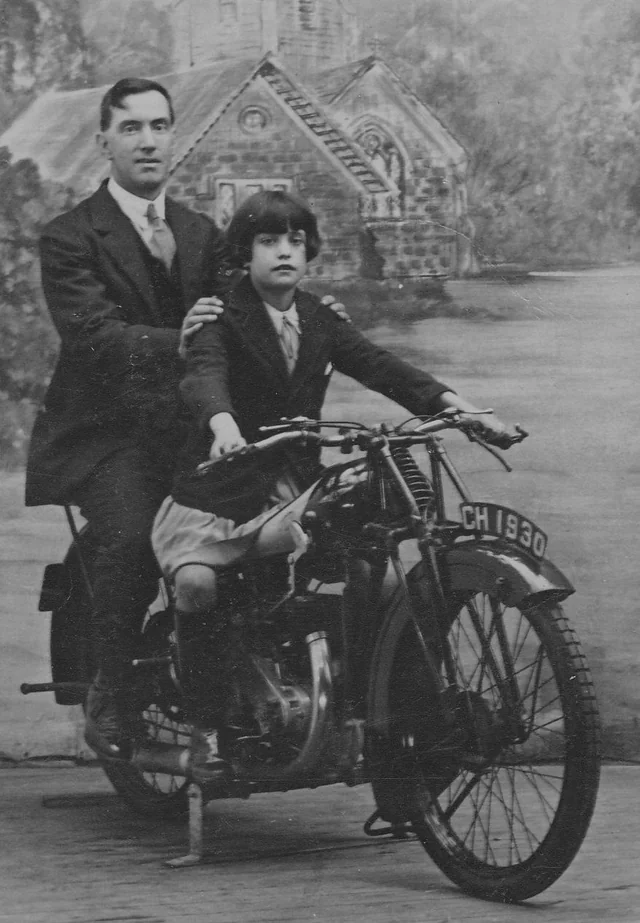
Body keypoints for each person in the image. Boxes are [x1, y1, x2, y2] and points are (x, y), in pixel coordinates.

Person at [26, 78, 348, 761]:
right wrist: (180, 338)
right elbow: (92, 335)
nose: (148, 140)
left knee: (273, 525)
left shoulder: (202, 232)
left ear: (174, 135)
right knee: (133, 530)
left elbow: (251, 304)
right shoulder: (70, 237)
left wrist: (311, 318)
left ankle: (240, 680)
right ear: (104, 141)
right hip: (106, 433)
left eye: (160, 126)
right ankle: (112, 692)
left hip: (198, 422)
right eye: (132, 127)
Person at [151, 189, 509, 773]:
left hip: (296, 490)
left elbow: (382, 367)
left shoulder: (319, 319)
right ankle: (206, 728)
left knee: (383, 576)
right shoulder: (223, 312)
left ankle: (392, 733)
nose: (284, 252)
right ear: (246, 252)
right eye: (268, 241)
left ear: (309, 250)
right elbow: (204, 374)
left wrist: (463, 410)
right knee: (196, 584)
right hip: (218, 495)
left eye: (295, 241)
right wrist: (222, 425)